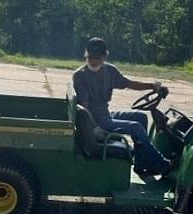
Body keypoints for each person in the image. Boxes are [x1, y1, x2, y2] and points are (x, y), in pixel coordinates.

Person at [73, 37, 174, 176]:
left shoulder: (110, 71)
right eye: (90, 57)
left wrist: (153, 86)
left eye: (97, 57)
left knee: (141, 117)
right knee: (136, 127)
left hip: (106, 115)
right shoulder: (80, 75)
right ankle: (162, 164)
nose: (93, 61)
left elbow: (130, 84)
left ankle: (141, 164)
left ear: (104, 56)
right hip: (97, 121)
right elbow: (84, 106)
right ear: (86, 55)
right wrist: (95, 128)